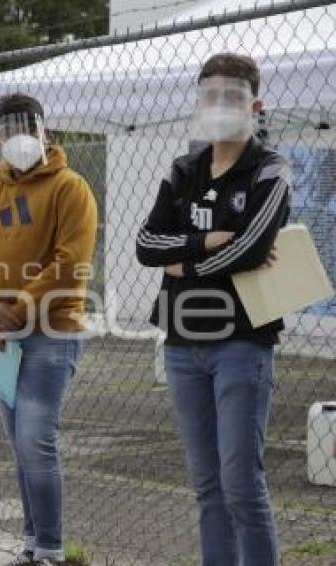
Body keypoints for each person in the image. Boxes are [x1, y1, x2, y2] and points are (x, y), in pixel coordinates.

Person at [135, 54, 287, 566]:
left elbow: (250, 249)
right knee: (207, 487)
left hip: (242, 343)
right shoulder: (185, 168)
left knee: (241, 484)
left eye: (233, 96)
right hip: (181, 343)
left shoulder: (269, 170)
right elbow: (147, 245)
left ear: (255, 105)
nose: (220, 106)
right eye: (211, 95)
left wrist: (188, 264)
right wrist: (207, 240)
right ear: (198, 102)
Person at [0, 93, 98, 565]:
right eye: (7, 129)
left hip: (52, 330)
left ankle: (52, 550)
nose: (18, 137)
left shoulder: (70, 188)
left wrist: (13, 309)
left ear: (46, 132)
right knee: (20, 444)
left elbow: (69, 262)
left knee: (35, 437)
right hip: (0, 336)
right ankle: (33, 544)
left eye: (26, 126)